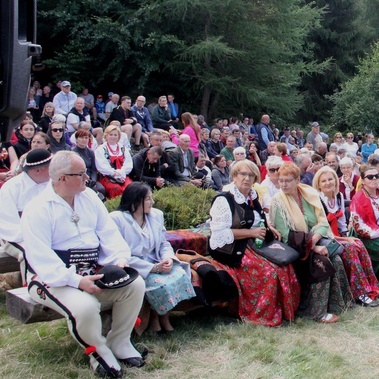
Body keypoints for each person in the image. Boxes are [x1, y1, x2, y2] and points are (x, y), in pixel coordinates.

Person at [22, 151, 147, 377]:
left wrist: (119, 258)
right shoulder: (37, 208)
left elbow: (108, 232)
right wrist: (77, 281)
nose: (87, 178)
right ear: (61, 178)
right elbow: (41, 257)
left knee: (135, 285)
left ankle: (119, 342)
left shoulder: (88, 197)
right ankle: (98, 353)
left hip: (92, 270)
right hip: (52, 278)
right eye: (80, 174)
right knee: (86, 306)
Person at [208, 160, 300, 325]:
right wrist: (252, 233)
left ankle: (286, 312)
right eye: (243, 174)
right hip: (230, 248)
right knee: (270, 271)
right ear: (234, 176)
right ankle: (261, 314)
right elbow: (220, 233)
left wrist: (269, 227)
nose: (247, 178)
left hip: (252, 243)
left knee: (284, 265)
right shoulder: (225, 199)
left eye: (251, 175)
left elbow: (256, 219)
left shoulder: (252, 195)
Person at [270, 162, 351, 323]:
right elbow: (286, 235)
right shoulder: (278, 201)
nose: (283, 184)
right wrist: (313, 247)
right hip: (294, 249)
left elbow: (322, 222)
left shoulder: (309, 194)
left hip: (314, 241)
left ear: (297, 180)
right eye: (281, 181)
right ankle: (316, 311)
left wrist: (314, 240)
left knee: (336, 258)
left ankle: (337, 304)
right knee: (322, 263)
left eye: (288, 180)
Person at [110, 183, 195, 334]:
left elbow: (163, 243)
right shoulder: (117, 219)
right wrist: (153, 268)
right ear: (135, 201)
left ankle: (163, 316)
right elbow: (119, 252)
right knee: (160, 283)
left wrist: (167, 258)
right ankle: (154, 318)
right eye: (148, 199)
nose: (152, 202)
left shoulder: (155, 215)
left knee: (179, 274)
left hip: (157, 260)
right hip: (136, 267)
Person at [314, 166, 379, 307]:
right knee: (350, 248)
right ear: (318, 185)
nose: (328, 183)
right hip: (325, 238)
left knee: (359, 244)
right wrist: (345, 239)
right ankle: (359, 293)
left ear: (335, 180)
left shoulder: (338, 196)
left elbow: (342, 224)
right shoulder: (318, 200)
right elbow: (325, 230)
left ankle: (372, 287)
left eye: (330, 179)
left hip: (338, 235)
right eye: (324, 181)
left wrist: (346, 235)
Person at [0, 149, 52, 284]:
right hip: (16, 236)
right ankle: (29, 289)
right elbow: (8, 223)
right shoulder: (12, 187)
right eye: (50, 167)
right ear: (38, 170)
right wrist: (34, 236)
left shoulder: (52, 184)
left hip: (47, 232)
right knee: (29, 252)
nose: (54, 170)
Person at [95, 125, 133, 199]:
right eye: (110, 135)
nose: (113, 137)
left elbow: (128, 164)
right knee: (115, 188)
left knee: (130, 187)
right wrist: (114, 173)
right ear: (106, 136)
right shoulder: (101, 149)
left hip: (123, 176)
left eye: (115, 135)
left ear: (118, 137)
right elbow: (102, 166)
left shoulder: (123, 148)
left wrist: (121, 173)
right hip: (107, 177)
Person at [72, 129, 107, 197]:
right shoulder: (73, 152)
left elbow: (94, 169)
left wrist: (93, 180)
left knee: (101, 189)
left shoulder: (91, 152)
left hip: (91, 178)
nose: (84, 139)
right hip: (79, 179)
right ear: (76, 139)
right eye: (81, 137)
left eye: (86, 138)